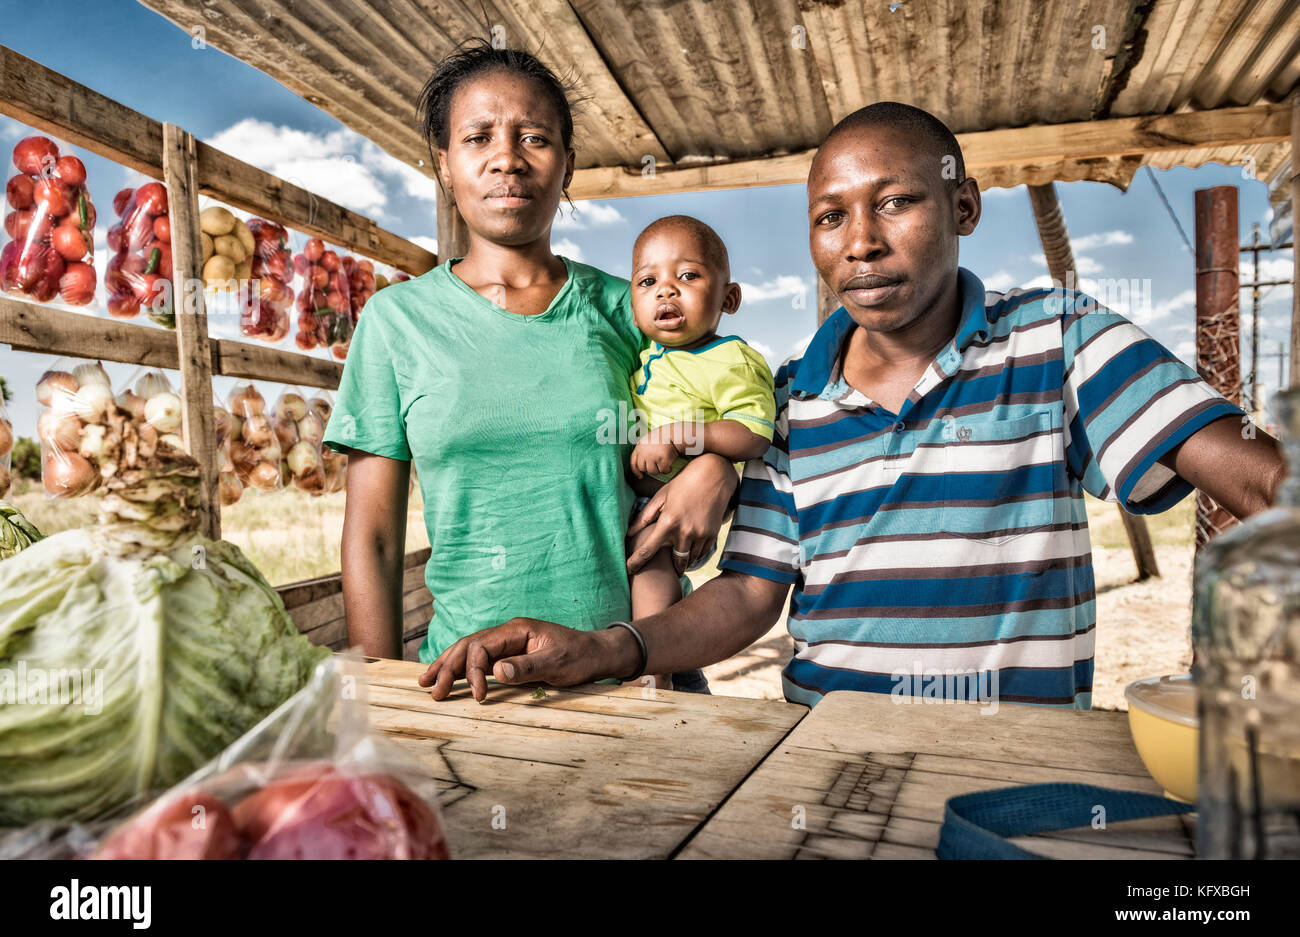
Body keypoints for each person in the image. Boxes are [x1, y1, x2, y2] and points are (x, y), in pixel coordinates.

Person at [419, 101, 1288, 709]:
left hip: (1010, 773)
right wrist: (610, 647)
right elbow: (752, 592)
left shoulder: (1058, 341)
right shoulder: (795, 395)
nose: (862, 241)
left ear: (964, 205)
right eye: (830, 217)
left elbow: (1260, 484)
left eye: (897, 202)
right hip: (823, 760)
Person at [323, 42, 739, 684]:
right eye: (478, 137)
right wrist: (375, 698)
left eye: (535, 138)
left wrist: (716, 468)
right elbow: (374, 536)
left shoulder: (626, 308)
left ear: (567, 165)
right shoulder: (395, 323)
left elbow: (726, 405)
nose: (506, 158)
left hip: (633, 674)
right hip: (465, 685)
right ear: (444, 164)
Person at [624, 215, 776, 689]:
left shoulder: (731, 358)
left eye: (687, 276)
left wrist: (679, 436)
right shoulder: (646, 352)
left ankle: (654, 668)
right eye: (648, 282)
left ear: (728, 299)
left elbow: (753, 432)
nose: (666, 292)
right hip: (636, 493)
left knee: (651, 562)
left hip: (675, 500)